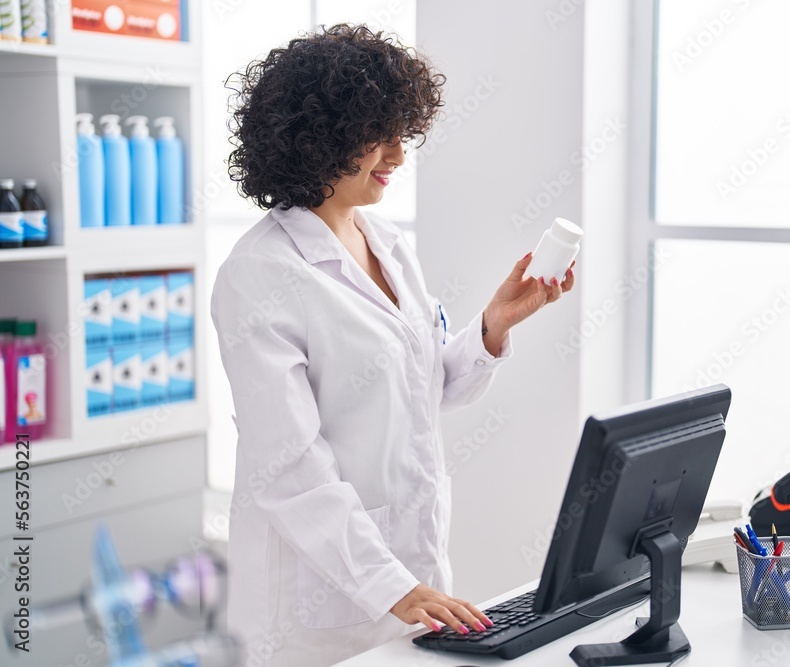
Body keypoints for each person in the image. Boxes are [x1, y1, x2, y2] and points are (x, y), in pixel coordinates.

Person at [210, 24, 575, 666]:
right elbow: (287, 467)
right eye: (381, 136)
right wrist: (393, 588)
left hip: (410, 574)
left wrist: (493, 327)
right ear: (318, 138)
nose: (400, 156)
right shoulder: (259, 275)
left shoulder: (385, 243)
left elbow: (420, 387)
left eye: (403, 134)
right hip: (313, 608)